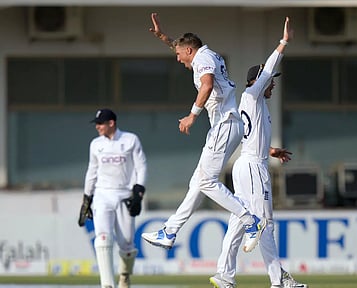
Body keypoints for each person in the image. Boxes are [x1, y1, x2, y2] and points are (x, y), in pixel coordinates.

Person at [141, 12, 266, 253]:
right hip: (226, 126)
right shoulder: (203, 55)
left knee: (206, 182)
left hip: (225, 124)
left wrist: (192, 115)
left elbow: (207, 84)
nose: (177, 59)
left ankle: (251, 222)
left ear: (189, 51)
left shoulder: (203, 59)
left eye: (178, 54)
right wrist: (164, 38)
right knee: (198, 182)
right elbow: (186, 53)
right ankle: (169, 231)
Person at [209, 17, 308, 288]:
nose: (273, 84)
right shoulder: (251, 96)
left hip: (250, 162)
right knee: (264, 222)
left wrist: (271, 150)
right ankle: (278, 280)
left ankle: (224, 275)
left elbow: (251, 135)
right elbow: (267, 73)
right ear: (256, 81)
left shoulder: (258, 105)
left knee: (240, 221)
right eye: (269, 80)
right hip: (253, 167)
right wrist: (283, 42)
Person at [78, 108, 147, 288]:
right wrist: (87, 198)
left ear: (111, 123)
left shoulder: (130, 140)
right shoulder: (95, 144)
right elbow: (91, 171)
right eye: (97, 124)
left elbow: (141, 166)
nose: (97, 127)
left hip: (125, 195)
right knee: (102, 237)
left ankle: (124, 276)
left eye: (100, 123)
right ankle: (107, 284)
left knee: (127, 244)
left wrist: (138, 192)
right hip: (102, 194)